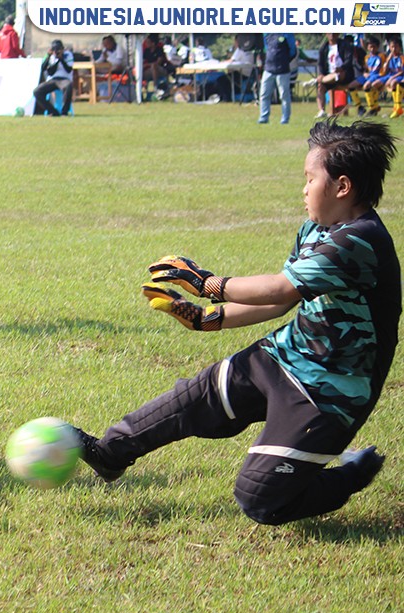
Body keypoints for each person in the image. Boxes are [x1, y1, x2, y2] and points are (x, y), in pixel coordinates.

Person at [77, 121, 398, 527]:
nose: (303, 189)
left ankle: (353, 472)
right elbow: (283, 302)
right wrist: (208, 320)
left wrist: (209, 285)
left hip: (330, 395)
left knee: (260, 499)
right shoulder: (317, 229)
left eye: (310, 178)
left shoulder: (360, 240)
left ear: (342, 186)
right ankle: (110, 455)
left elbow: (280, 288)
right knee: (193, 398)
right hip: (286, 357)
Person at [258, 32, 297, 124]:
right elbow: (266, 48)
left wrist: (284, 61)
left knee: (284, 95)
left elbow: (293, 51)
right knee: (264, 94)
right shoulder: (267, 34)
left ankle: (285, 119)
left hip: (282, 70)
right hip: (268, 69)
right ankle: (263, 117)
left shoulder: (287, 34)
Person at [315, 33, 356, 118]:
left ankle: (317, 80)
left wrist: (342, 68)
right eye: (330, 33)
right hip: (328, 75)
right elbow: (320, 64)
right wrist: (321, 74)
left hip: (344, 74)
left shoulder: (345, 45)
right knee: (320, 87)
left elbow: (349, 60)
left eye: (334, 32)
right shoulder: (324, 47)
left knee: (337, 76)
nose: (332, 35)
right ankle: (322, 111)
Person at [32, 39, 74, 117]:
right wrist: (49, 57)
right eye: (55, 49)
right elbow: (48, 71)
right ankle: (52, 111)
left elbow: (68, 70)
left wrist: (61, 59)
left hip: (64, 79)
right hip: (52, 79)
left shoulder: (68, 55)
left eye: (59, 49)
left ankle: (64, 112)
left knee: (68, 86)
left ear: (62, 49)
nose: (57, 51)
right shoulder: (51, 57)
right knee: (37, 91)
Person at [357, 36, 387, 117]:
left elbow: (385, 68)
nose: (372, 49)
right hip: (369, 76)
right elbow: (366, 69)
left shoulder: (382, 56)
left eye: (374, 47)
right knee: (351, 85)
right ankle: (360, 107)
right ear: (367, 47)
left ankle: (372, 108)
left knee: (367, 86)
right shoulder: (367, 57)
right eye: (370, 47)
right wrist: (364, 73)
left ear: (377, 47)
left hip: (378, 76)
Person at [382, 38, 404, 118]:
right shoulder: (389, 57)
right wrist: (388, 59)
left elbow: (402, 71)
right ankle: (396, 108)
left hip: (399, 76)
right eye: (392, 47)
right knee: (373, 84)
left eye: (396, 47)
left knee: (393, 83)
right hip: (390, 76)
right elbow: (385, 70)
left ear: (399, 47)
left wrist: (392, 78)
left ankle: (398, 108)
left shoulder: (401, 57)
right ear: (390, 47)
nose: (394, 49)